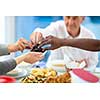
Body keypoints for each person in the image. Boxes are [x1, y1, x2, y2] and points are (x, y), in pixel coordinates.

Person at [30, 16, 98, 71]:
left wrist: (84, 66)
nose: (70, 22)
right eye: (68, 17)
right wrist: (38, 34)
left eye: (75, 18)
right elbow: (42, 32)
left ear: (83, 18)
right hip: (52, 73)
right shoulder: (57, 27)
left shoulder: (90, 37)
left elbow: (92, 64)